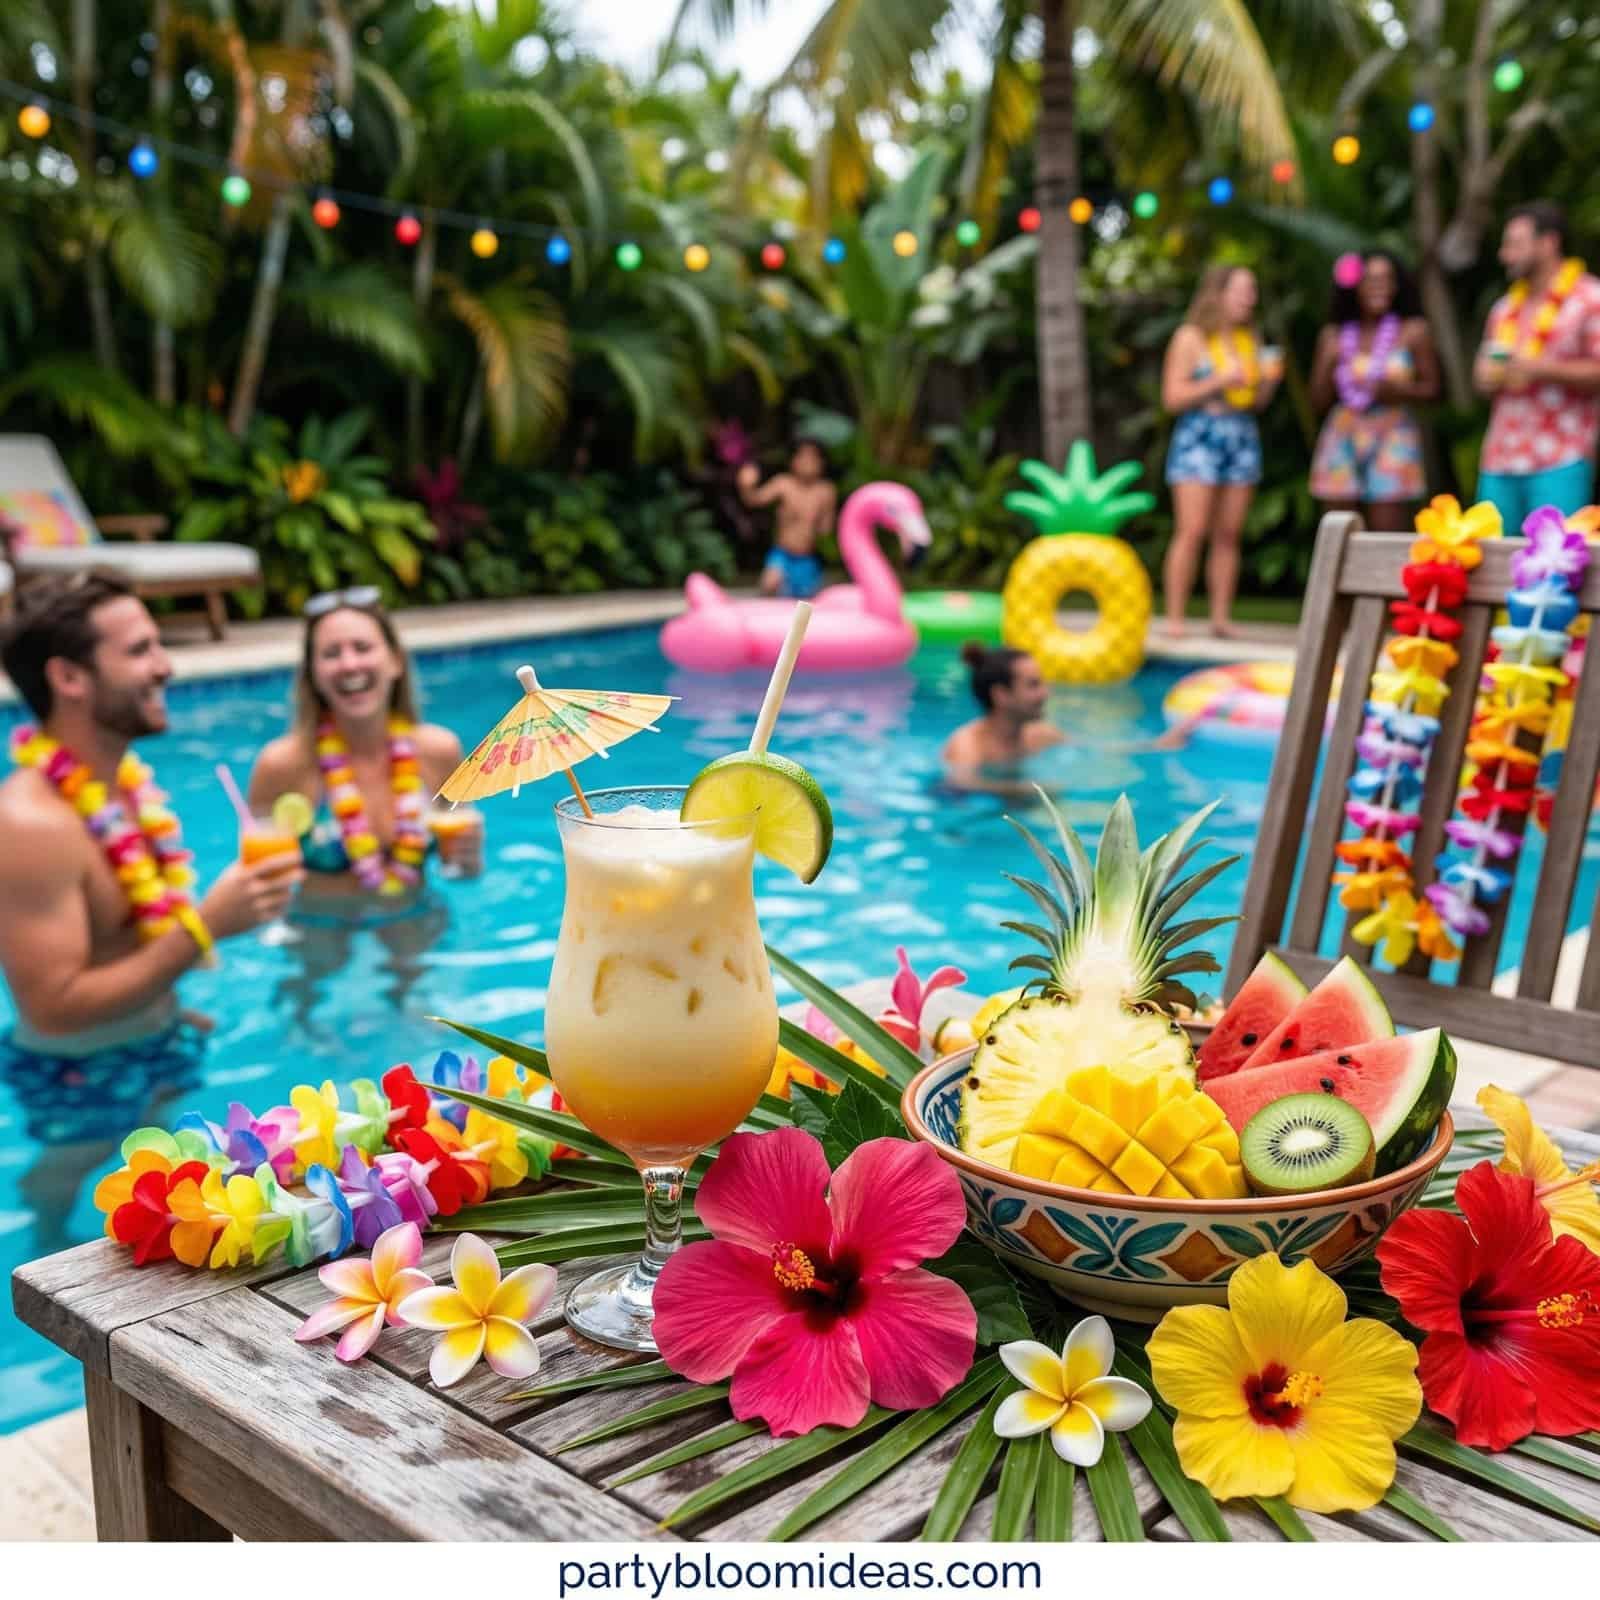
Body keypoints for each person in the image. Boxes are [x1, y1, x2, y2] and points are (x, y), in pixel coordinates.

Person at [0, 573, 304, 1050]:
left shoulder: (122, 787)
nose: (166, 667)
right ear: (68, 678)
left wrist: (166, 1015)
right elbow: (53, 1010)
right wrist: (205, 927)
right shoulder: (30, 824)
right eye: (141, 651)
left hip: (157, 1043)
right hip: (81, 1087)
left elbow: (123, 946)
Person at [248, 587, 483, 917]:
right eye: (331, 653)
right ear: (313, 674)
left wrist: (468, 860)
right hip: (320, 935)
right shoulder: (280, 765)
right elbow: (256, 888)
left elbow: (462, 872)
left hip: (415, 926)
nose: (349, 664)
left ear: (395, 661)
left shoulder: (439, 751)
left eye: (362, 648)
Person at [1160, 265, 1282, 639]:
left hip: (1241, 434)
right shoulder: (1191, 337)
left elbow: (1254, 401)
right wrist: (1219, 379)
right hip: (1200, 435)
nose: (1250, 298)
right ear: (1218, 293)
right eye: (1242, 290)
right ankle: (1175, 618)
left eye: (1253, 290)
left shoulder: (1252, 338)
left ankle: (1220, 618)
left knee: (1229, 533)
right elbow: (1172, 397)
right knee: (1192, 529)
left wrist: (1268, 384)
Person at [1474, 201, 1600, 528]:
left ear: (1549, 243)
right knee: (1492, 566)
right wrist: (1486, 378)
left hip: (1561, 457)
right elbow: (1481, 375)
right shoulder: (1504, 308)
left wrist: (1535, 368)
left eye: (1515, 244)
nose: (1505, 255)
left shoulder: (1590, 298)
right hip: (1499, 459)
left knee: (1554, 566)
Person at [942, 644, 1194, 795]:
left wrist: (1155, 745)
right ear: (1001, 695)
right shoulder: (968, 745)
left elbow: (1093, 748)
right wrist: (1032, 790)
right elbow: (965, 785)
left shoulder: (1039, 735)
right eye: (1033, 685)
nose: (1045, 693)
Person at [1309, 251, 1439, 531]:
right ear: (1355, 285)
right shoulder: (1334, 336)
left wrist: (1399, 391)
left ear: (1397, 286)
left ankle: (1384, 577)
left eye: (1387, 279)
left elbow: (1434, 391)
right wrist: (1327, 365)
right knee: (1338, 528)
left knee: (1386, 528)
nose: (1379, 286)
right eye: (1370, 279)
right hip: (1343, 431)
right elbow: (1317, 402)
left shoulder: (1413, 331)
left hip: (1393, 432)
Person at [737, 437, 838, 598]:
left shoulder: (825, 491)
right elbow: (754, 500)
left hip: (807, 557)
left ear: (821, 462)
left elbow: (826, 529)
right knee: (770, 583)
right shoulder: (784, 484)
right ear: (793, 461)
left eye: (812, 457)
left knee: (803, 601)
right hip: (783, 554)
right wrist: (746, 486)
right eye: (802, 457)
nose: (807, 462)